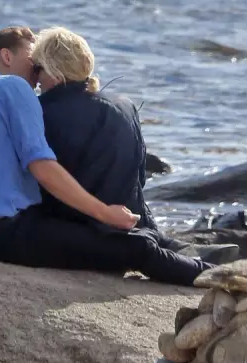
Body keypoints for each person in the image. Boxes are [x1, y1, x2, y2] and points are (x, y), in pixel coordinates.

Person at [0, 26, 247, 289]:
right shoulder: (12, 87)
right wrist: (103, 212)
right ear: (6, 57)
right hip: (3, 233)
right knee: (134, 246)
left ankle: (192, 256)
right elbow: (42, 165)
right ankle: (237, 281)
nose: (37, 75)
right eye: (34, 63)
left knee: (118, 235)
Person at [32, 26, 235, 260]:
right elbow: (139, 174)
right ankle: (178, 248)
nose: (36, 79)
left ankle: (181, 255)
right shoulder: (124, 104)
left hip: (87, 222)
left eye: (38, 68)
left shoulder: (44, 112)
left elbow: (46, 177)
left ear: (55, 71)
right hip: (133, 214)